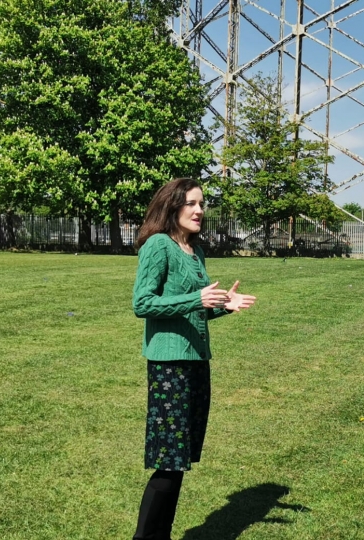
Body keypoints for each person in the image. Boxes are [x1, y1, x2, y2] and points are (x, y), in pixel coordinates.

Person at [131, 178, 256, 540]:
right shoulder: (158, 246)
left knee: (180, 460)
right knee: (169, 461)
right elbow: (142, 304)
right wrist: (196, 299)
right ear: (172, 207)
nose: (200, 210)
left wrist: (224, 306)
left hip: (197, 362)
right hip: (170, 364)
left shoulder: (195, 251)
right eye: (191, 204)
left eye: (202, 204)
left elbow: (196, 310)